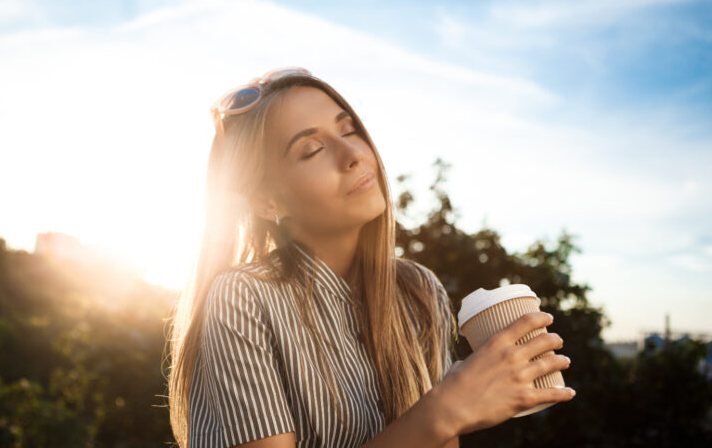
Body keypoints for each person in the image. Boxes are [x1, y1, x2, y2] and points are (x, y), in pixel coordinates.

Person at [164, 67, 576, 448]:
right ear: (267, 200)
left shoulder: (417, 289)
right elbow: (439, 422)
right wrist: (448, 408)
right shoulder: (242, 297)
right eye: (311, 150)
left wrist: (472, 404)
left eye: (349, 129)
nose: (353, 154)